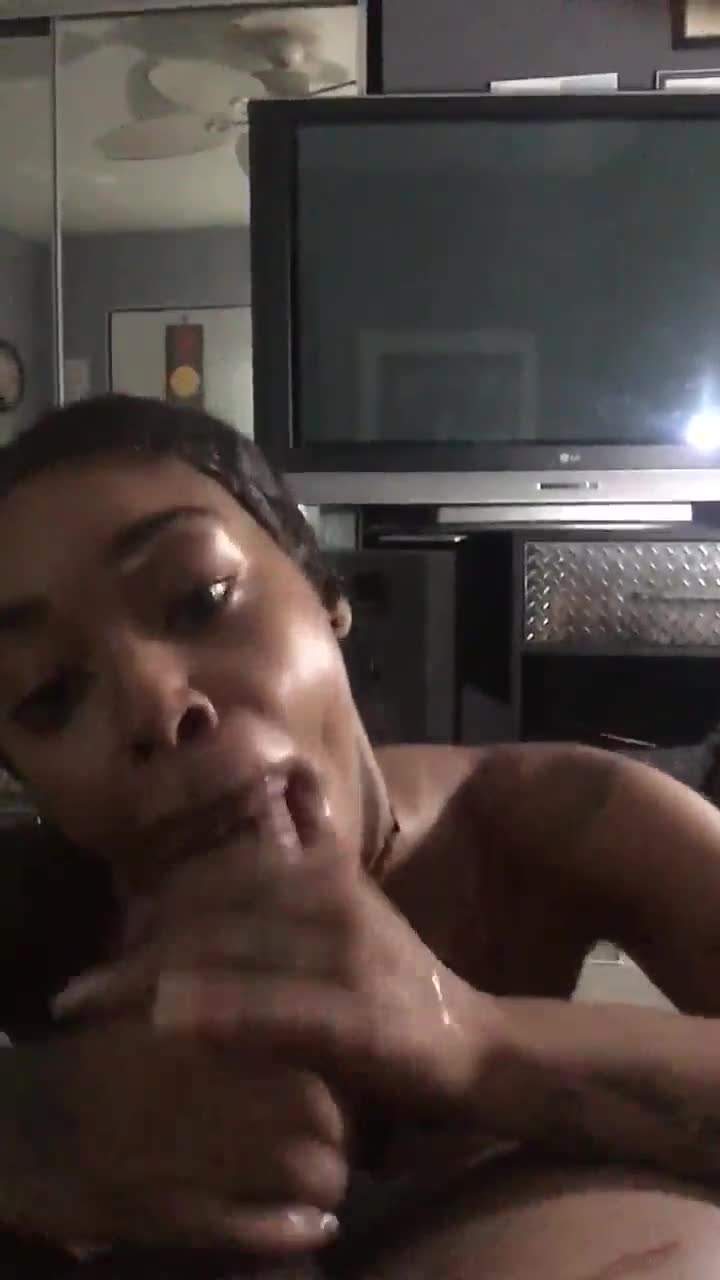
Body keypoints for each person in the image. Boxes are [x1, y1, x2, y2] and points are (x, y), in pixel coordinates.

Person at [1, 394, 720, 1279]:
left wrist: (478, 1043)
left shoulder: (546, 819)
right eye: (47, 695)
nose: (154, 702)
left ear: (324, 590)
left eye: (198, 599)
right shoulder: (39, 903)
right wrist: (34, 1129)